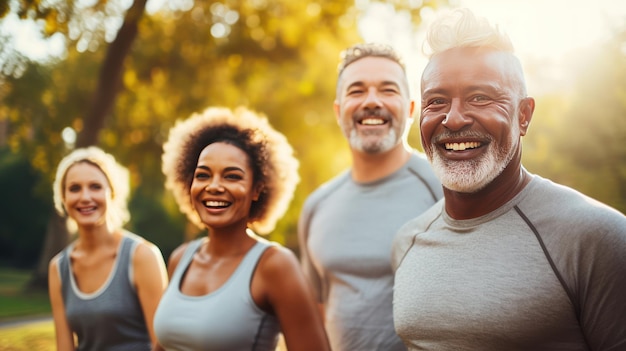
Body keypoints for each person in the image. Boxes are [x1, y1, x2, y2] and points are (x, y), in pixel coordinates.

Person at [391, 8, 626, 350]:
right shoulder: (407, 240)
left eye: (480, 97)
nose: (453, 119)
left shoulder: (596, 237)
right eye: (436, 101)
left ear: (524, 115)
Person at [298, 43, 443, 350]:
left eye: (388, 90)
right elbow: (316, 311)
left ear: (411, 108)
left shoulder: (446, 190)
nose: (372, 101)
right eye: (357, 91)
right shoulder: (317, 206)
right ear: (339, 111)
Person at [153, 106, 330, 351]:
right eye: (203, 175)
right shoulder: (181, 259)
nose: (214, 186)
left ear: (257, 189)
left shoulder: (274, 265)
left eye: (232, 176)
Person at [48, 146, 168, 350]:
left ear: (111, 193)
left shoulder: (142, 256)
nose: (85, 197)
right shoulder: (58, 268)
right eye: (74, 188)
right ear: (63, 198)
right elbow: (65, 346)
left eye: (95, 187)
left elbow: (163, 343)